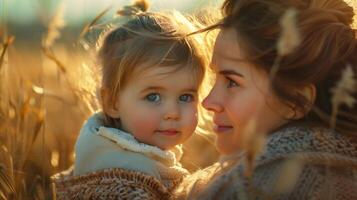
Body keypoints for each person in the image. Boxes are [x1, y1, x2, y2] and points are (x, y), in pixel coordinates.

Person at [176, 0, 357, 199]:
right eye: (215, 78)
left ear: (297, 101)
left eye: (232, 82)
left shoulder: (267, 188)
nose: (208, 102)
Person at [51, 0, 211, 199]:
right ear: (112, 103)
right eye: (153, 96)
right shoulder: (124, 185)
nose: (173, 112)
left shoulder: (126, 161)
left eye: (186, 96)